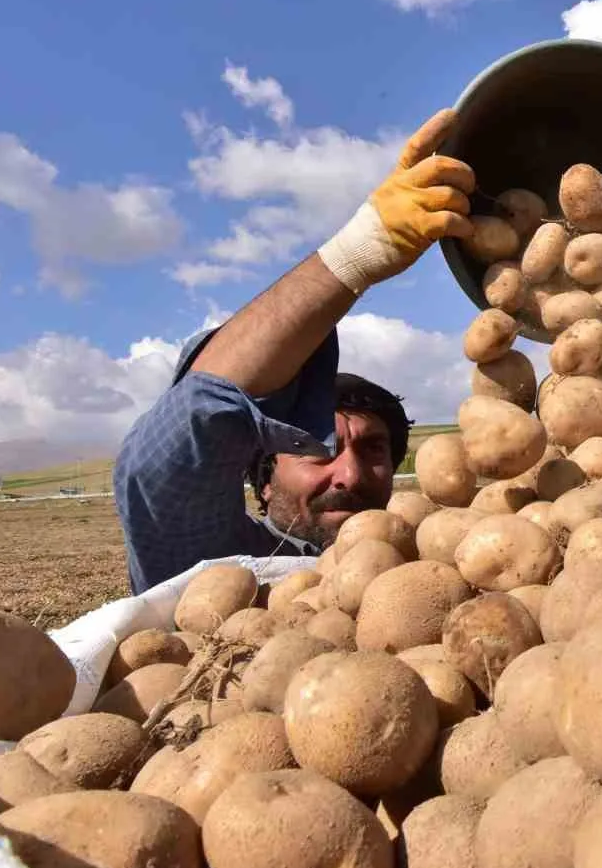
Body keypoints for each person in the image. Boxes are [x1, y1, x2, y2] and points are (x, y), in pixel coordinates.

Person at [113, 108, 476, 592]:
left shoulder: (436, 564)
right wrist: (360, 252)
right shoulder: (222, 567)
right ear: (264, 481)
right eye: (318, 451)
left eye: (373, 450)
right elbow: (168, 457)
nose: (349, 475)